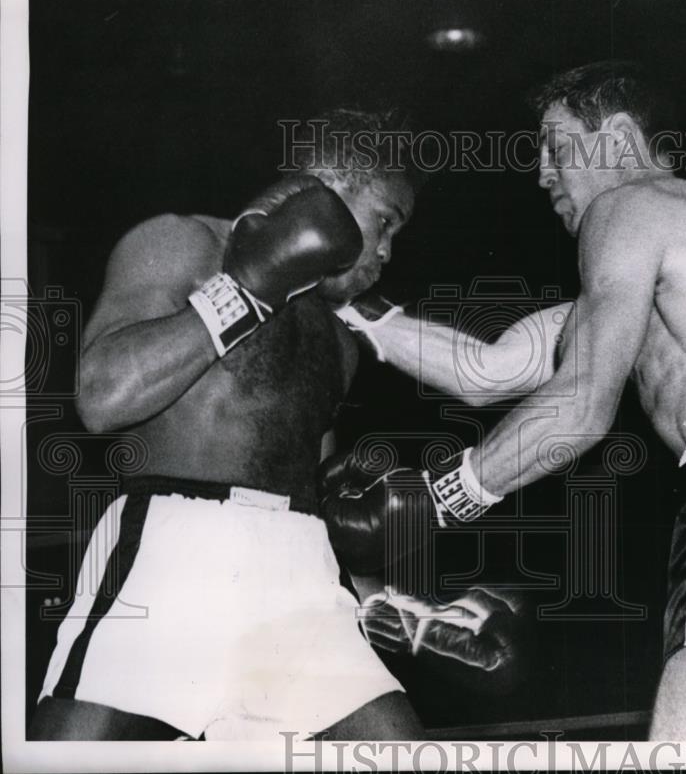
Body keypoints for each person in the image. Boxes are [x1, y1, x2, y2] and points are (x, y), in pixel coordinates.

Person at [327, 61, 686, 741]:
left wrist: (439, 497)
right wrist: (358, 310)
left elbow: (582, 403)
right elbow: (489, 369)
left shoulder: (629, 206)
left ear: (619, 138)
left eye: (557, 147)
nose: (542, 174)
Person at [29, 108, 442, 741]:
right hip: (172, 550)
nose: (386, 252)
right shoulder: (182, 241)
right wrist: (245, 290)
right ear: (330, 186)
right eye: (384, 221)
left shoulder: (339, 339)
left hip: (300, 577)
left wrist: (398, 609)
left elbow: (324, 496)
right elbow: (103, 397)